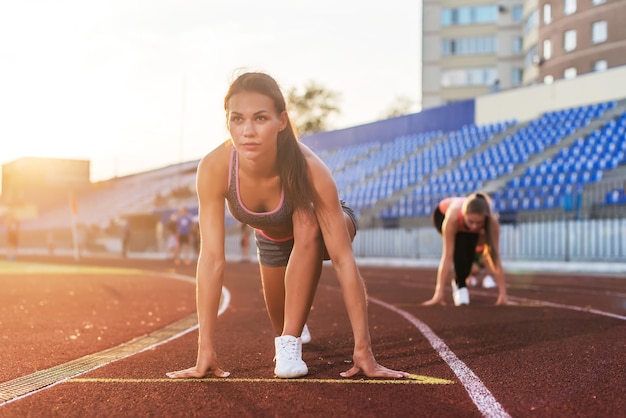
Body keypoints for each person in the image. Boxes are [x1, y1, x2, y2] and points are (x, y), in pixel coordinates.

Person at [166, 72, 407, 380]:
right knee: (281, 322)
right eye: (238, 119)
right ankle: (294, 326)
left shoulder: (310, 169)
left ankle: (290, 343)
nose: (248, 131)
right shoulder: (215, 168)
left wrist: (364, 351)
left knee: (305, 220)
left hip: (325, 227)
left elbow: (344, 261)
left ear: (281, 121)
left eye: (261, 118)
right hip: (272, 239)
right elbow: (211, 258)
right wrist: (205, 351)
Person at [421, 192, 508, 307]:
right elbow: (447, 257)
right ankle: (460, 284)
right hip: (441, 214)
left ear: (485, 219)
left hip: (465, 220)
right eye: (471, 222)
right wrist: (439, 293)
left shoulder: (492, 222)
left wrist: (503, 294)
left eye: (479, 223)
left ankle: (461, 280)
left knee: (468, 246)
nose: (474, 227)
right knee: (460, 246)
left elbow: (495, 258)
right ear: (464, 215)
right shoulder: (453, 217)